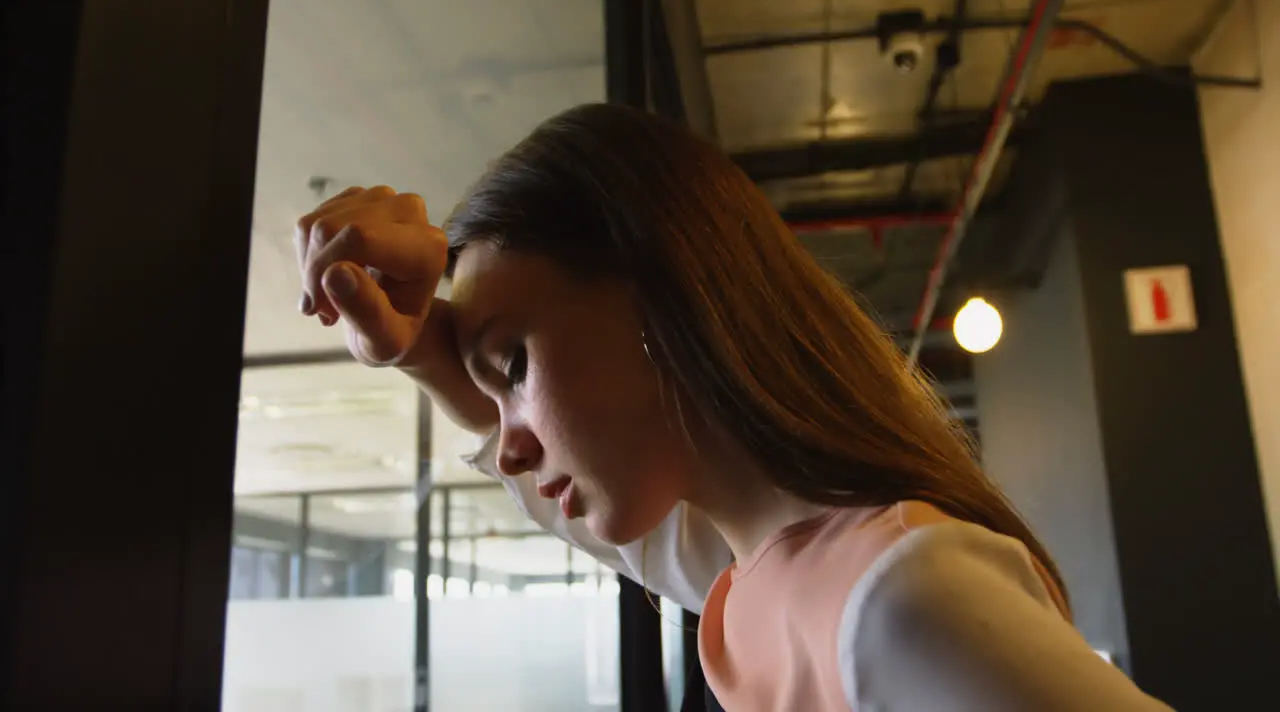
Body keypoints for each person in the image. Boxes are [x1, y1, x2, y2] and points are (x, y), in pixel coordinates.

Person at [293, 103, 1172, 711]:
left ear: (660, 300)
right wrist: (423, 348)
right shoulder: (754, 568)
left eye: (515, 366)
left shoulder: (901, 596)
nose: (510, 449)